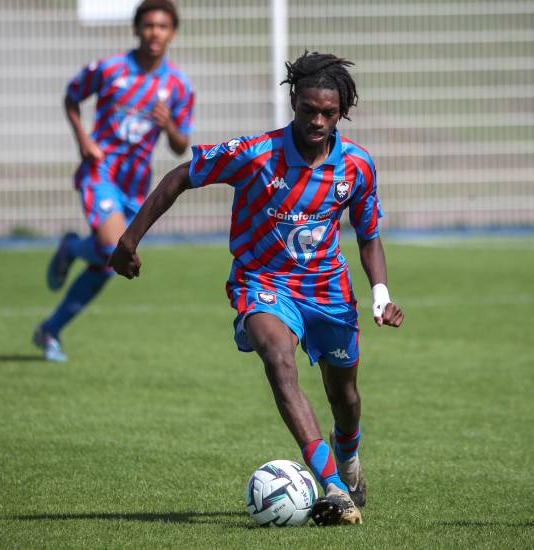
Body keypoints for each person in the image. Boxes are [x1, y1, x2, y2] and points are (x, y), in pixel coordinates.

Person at [109, 51, 404, 526]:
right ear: (295, 102)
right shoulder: (257, 154)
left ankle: (347, 459)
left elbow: (368, 237)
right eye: (309, 109)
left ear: (342, 111)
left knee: (345, 397)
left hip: (327, 291)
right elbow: (183, 175)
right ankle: (331, 485)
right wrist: (129, 238)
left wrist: (381, 295)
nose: (318, 120)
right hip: (262, 283)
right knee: (278, 360)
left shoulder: (358, 168)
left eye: (328, 113)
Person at [33, 0, 194, 362]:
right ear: (137, 29)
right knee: (112, 250)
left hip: (136, 184)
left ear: (172, 33)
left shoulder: (178, 84)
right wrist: (84, 141)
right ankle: (72, 248)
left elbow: (181, 144)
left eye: (163, 26)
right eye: (149, 25)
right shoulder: (110, 69)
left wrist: (168, 124)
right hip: (100, 171)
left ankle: (49, 330)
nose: (155, 32)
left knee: (108, 267)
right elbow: (71, 97)